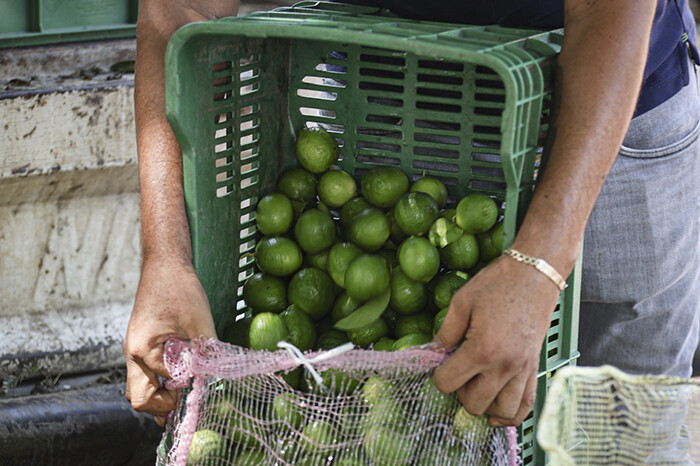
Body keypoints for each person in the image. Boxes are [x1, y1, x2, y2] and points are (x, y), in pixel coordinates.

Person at [124, 0, 700, 430]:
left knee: (623, 430)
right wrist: (167, 258)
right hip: (391, 107)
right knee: (390, 427)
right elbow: (182, 9)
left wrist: (540, 263)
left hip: (605, 121)